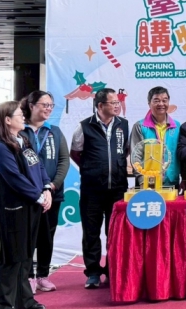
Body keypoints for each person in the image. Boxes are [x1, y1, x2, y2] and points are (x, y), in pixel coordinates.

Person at [0, 101, 51, 309]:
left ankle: (25, 301)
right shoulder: (1, 148)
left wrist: (46, 188)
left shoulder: (23, 140)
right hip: (14, 210)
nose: (23, 117)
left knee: (26, 257)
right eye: (19, 114)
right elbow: (14, 178)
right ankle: (4, 304)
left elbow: (39, 165)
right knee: (11, 259)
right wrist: (38, 196)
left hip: (32, 207)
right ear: (8, 120)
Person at [70, 88, 129, 289]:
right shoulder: (84, 126)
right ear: (100, 105)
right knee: (91, 233)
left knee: (115, 233)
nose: (117, 106)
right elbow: (75, 153)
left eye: (117, 102)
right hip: (92, 190)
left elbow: (125, 151)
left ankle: (113, 271)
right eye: (113, 103)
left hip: (118, 189)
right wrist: (91, 169)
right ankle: (93, 272)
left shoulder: (123, 125)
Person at [19, 91, 69, 294]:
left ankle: (43, 275)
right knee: (28, 237)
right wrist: (34, 191)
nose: (48, 109)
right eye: (44, 105)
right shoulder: (20, 132)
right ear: (32, 106)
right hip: (29, 195)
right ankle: (28, 276)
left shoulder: (54, 131)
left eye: (51, 105)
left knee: (48, 236)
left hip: (52, 194)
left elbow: (64, 160)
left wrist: (52, 186)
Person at [130, 86, 181, 191]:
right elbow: (135, 156)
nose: (161, 104)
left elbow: (180, 154)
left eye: (164, 100)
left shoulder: (177, 126)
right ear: (149, 103)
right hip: (147, 184)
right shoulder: (140, 126)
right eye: (156, 101)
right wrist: (142, 180)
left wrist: (183, 179)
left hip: (172, 183)